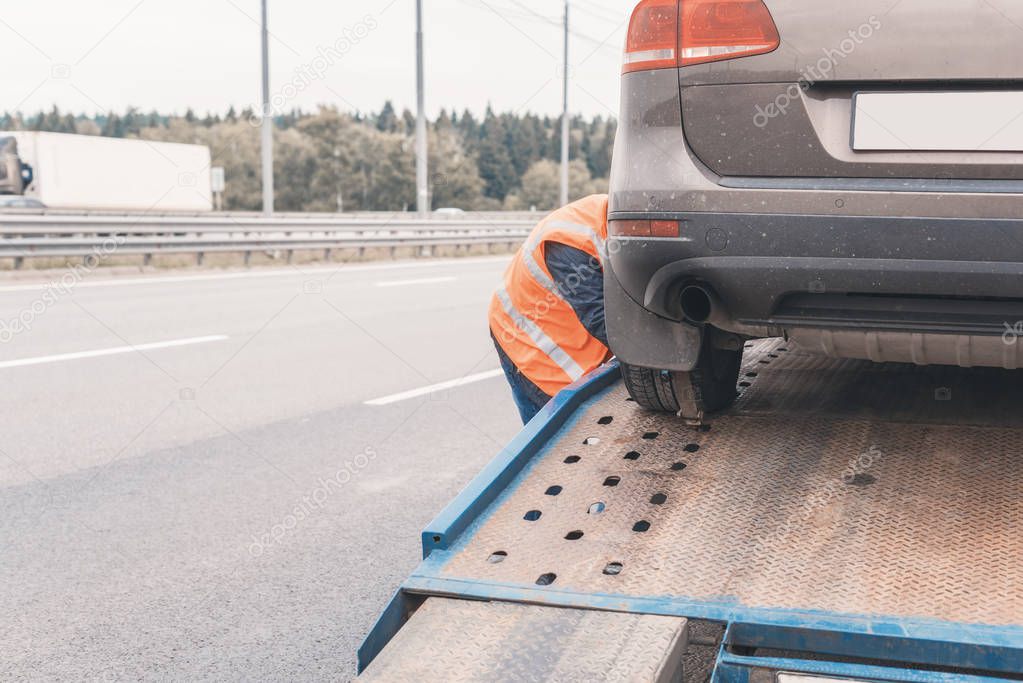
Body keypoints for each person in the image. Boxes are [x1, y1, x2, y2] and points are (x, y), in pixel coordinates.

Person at [489, 194, 611, 423]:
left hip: (566, 330)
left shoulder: (613, 216)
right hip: (526, 341)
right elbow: (600, 319)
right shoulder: (571, 242)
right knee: (552, 438)